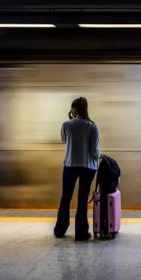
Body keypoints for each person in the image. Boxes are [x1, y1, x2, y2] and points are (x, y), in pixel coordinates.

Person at [54, 97, 101, 241]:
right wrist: (100, 155)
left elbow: (63, 140)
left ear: (74, 110)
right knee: (82, 198)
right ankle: (80, 233)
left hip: (70, 166)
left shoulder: (66, 125)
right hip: (88, 167)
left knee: (66, 197)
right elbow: (94, 151)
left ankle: (60, 230)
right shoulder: (93, 126)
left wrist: (70, 119)